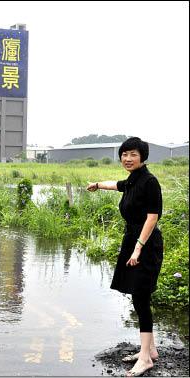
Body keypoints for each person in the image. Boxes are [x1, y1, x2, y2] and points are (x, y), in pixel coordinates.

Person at [87, 137, 163, 377]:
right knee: (137, 296)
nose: (128, 159)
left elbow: (153, 217)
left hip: (145, 243)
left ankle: (145, 359)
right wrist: (98, 185)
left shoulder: (149, 182)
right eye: (124, 154)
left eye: (133, 154)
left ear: (143, 157)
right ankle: (149, 351)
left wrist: (138, 248)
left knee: (140, 297)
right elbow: (117, 185)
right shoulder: (133, 180)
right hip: (132, 239)